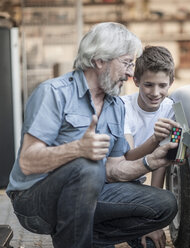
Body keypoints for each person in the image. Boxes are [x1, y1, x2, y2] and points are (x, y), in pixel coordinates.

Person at [6, 22, 178, 248]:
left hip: (88, 194)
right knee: (87, 166)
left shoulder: (115, 105)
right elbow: (28, 161)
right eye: (126, 63)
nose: (129, 73)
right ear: (99, 61)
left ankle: (87, 239)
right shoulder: (54, 93)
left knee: (164, 203)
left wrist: (151, 161)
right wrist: (77, 149)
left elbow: (115, 169)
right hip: (34, 199)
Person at [121, 45, 178, 188]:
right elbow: (128, 158)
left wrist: (156, 192)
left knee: (164, 201)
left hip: (139, 181)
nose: (155, 93)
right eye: (148, 85)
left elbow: (164, 156)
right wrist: (155, 139)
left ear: (171, 83)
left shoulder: (171, 109)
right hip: (119, 179)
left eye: (162, 85)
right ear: (136, 81)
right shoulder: (123, 107)